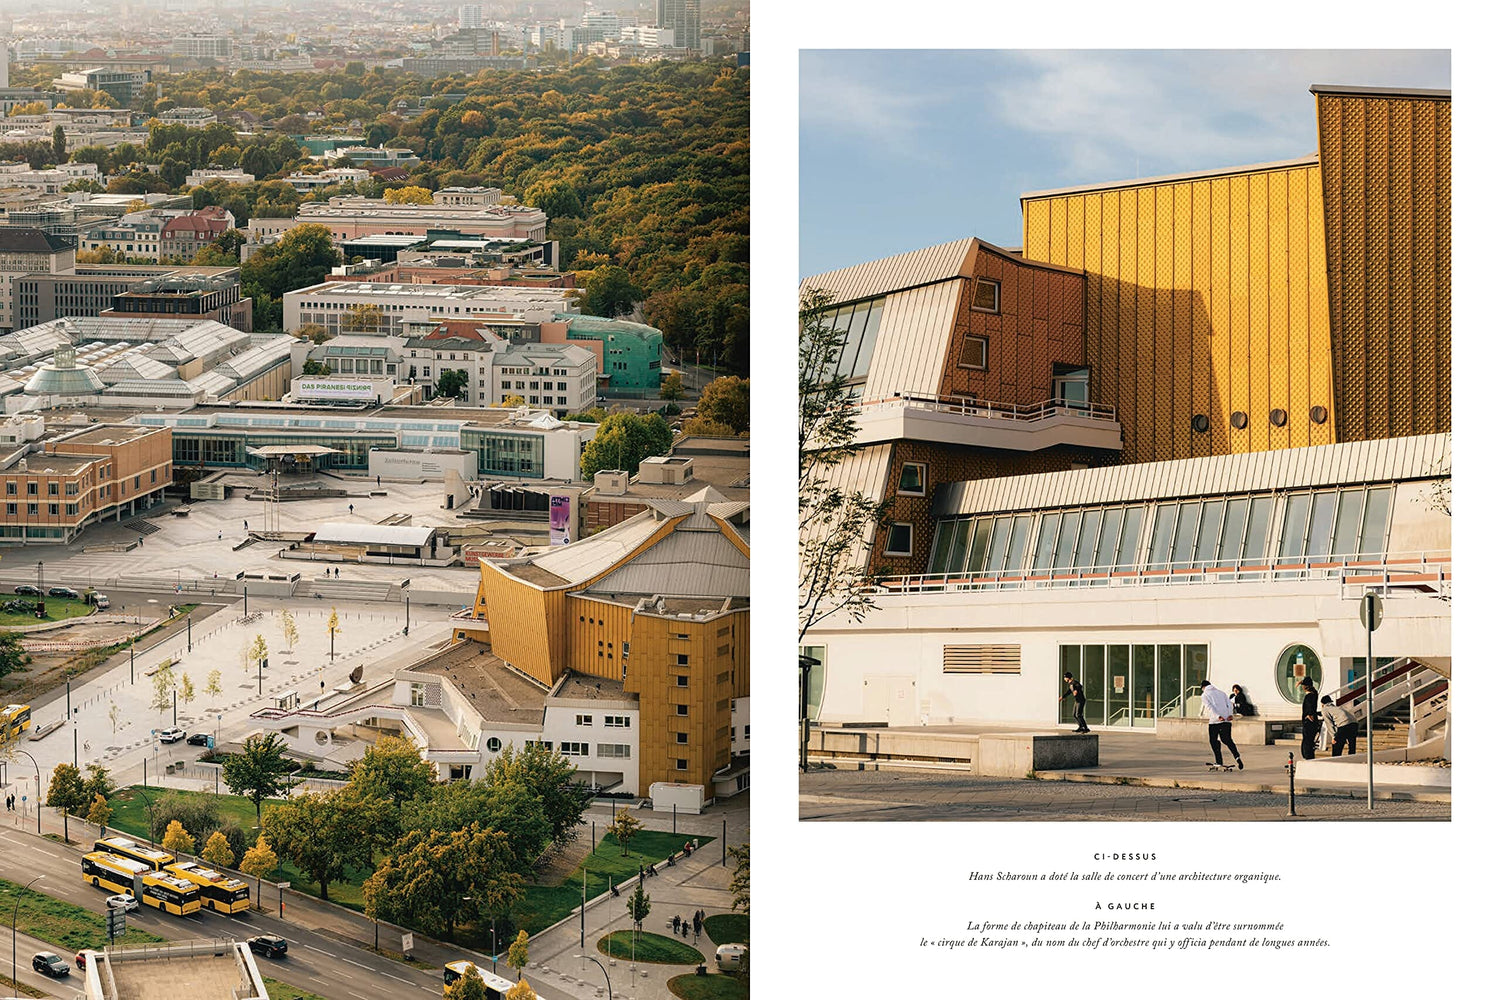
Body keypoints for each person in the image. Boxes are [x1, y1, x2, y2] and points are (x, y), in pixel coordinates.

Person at [1199, 680, 1243, 769]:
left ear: (1203, 687)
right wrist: (1230, 714)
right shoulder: (1221, 693)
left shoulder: (1205, 695)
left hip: (1215, 721)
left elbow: (1209, 707)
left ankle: (1219, 760)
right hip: (1226, 720)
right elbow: (1229, 705)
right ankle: (1237, 757)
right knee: (1227, 740)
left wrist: (1218, 716)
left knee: (1213, 740)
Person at [1299, 677, 1320, 760]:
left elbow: (1309, 706)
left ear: (1305, 687)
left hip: (1309, 721)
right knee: (1310, 740)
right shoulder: (1314, 693)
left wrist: (1309, 714)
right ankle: (1309, 756)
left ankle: (1308, 756)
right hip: (1313, 721)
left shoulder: (1309, 696)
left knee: (1307, 740)